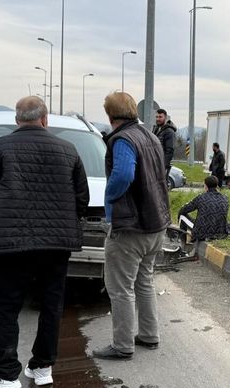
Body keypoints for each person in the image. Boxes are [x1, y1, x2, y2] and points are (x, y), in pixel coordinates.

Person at [0, 96, 89, 388]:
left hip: (12, 242)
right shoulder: (68, 149)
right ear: (45, 119)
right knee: (51, 305)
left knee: (6, 306)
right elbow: (82, 198)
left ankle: (6, 374)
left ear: (16, 120)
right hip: (57, 244)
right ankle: (42, 367)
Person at [93, 92, 170, 360]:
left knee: (120, 287)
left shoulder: (123, 139)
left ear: (110, 116)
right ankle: (149, 334)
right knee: (144, 281)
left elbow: (124, 174)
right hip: (155, 223)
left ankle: (122, 345)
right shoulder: (151, 136)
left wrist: (109, 197)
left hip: (130, 227)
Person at [178, 176, 230, 242]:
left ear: (206, 186)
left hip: (202, 232)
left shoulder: (201, 197)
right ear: (217, 186)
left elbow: (184, 210)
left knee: (182, 215)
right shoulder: (225, 198)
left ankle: (182, 244)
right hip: (220, 232)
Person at [152, 108, 176, 176]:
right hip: (154, 163)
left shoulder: (169, 131)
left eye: (160, 117)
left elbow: (170, 151)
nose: (158, 119)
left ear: (165, 117)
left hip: (161, 165)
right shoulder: (155, 129)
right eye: (157, 117)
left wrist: (163, 166)